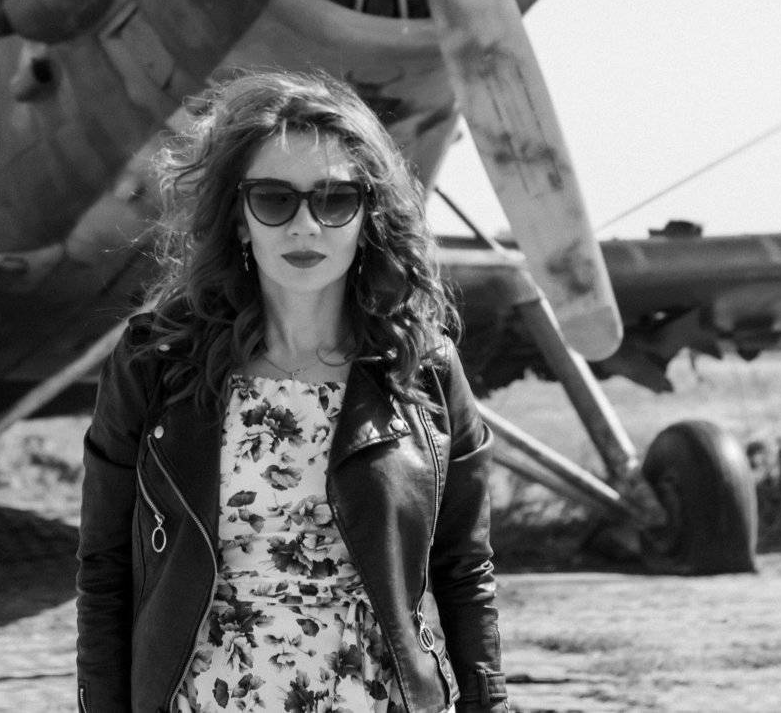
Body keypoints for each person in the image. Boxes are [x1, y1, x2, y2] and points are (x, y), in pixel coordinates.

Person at [76, 69, 508, 713]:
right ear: (239, 220)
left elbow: (464, 570)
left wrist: (488, 702)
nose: (305, 226)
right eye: (275, 200)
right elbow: (105, 566)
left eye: (335, 200)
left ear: (367, 217)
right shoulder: (155, 362)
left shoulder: (424, 368)